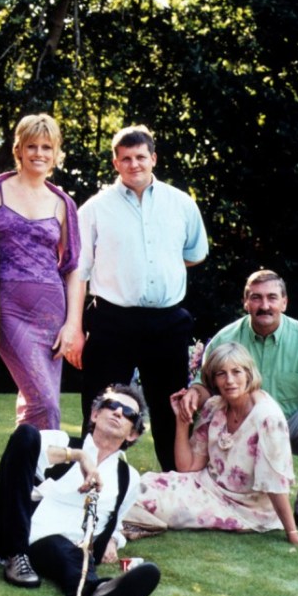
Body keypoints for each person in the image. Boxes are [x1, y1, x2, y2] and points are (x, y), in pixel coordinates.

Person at [71, 124, 208, 471]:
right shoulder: (95, 209)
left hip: (168, 321)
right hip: (112, 320)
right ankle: (96, 482)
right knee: (103, 406)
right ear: (116, 163)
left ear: (154, 159)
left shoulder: (181, 203)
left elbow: (194, 253)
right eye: (126, 158)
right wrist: (74, 327)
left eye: (141, 157)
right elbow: (79, 272)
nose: (134, 164)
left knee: (171, 406)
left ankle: (175, 482)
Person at [178, 270, 298, 532]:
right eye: (256, 298)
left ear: (284, 302)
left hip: (289, 424)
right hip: (239, 427)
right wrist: (194, 392)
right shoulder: (227, 338)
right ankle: (224, 495)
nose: (265, 305)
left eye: (272, 298)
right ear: (246, 302)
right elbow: (205, 384)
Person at [0, 384, 161, 596]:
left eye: (128, 413)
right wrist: (79, 456)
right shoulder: (60, 440)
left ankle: (98, 594)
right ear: (95, 414)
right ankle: (17, 557)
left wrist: (112, 540)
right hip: (13, 530)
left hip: (57, 546)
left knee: (68, 552)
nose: (118, 412)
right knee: (26, 434)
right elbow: (20, 454)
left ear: (133, 433)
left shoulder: (128, 477)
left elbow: (117, 519)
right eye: (112, 405)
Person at [128, 343, 298, 548]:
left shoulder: (267, 418)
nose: (229, 381)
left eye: (236, 372)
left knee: (148, 502)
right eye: (221, 374)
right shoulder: (214, 406)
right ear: (213, 379)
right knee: (139, 485)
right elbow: (187, 467)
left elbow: (275, 483)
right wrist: (182, 421)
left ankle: (133, 524)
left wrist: (293, 534)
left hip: (244, 508)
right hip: (206, 486)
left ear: (249, 374)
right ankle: (127, 521)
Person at [0, 114, 81, 431]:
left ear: (56, 152)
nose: (39, 154)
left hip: (50, 310)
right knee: (43, 401)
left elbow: (72, 268)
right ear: (19, 149)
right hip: (6, 305)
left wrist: (73, 324)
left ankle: (26, 476)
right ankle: (26, 474)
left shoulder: (63, 202)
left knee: (42, 402)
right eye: (32, 146)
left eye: (47, 147)